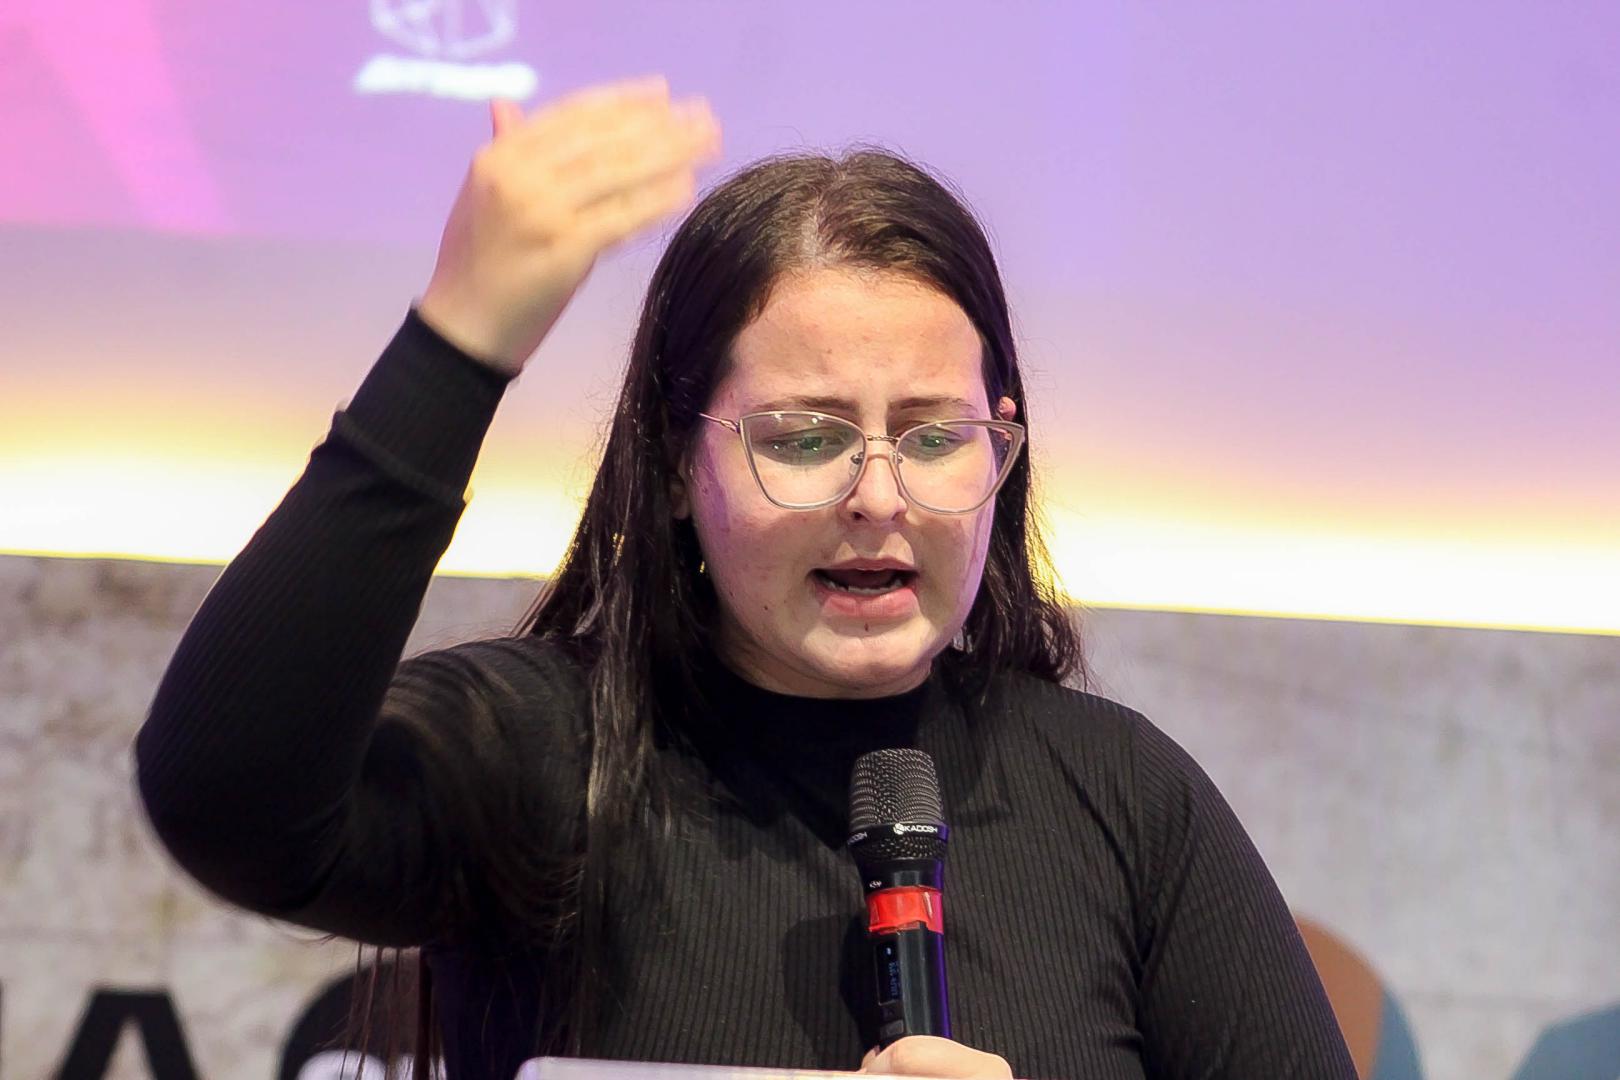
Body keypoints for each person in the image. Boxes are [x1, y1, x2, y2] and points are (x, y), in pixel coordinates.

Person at [135, 75, 1357, 1080]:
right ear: (678, 465)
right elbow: (225, 799)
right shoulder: (548, 750)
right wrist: (459, 343)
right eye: (804, 438)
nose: (878, 497)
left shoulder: (1122, 797)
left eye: (933, 436)